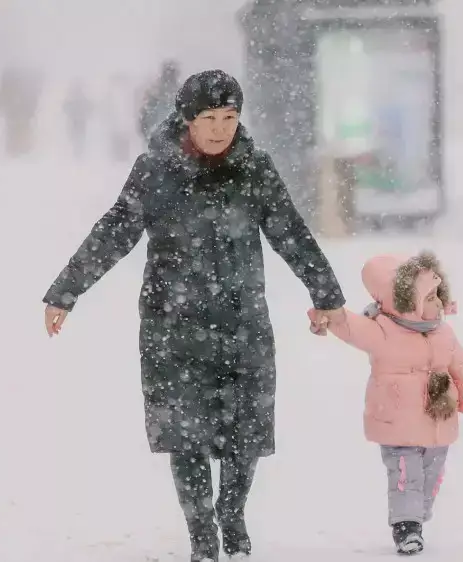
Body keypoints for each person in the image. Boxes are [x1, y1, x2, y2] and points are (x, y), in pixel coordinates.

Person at [42, 69, 346, 562]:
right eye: (209, 118)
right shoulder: (155, 170)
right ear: (186, 119)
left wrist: (325, 293)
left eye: (229, 117)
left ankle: (231, 512)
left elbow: (290, 231)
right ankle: (202, 535)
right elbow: (115, 231)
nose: (220, 128)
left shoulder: (255, 170)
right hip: (173, 328)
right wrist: (65, 291)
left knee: (245, 436)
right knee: (186, 438)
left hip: (243, 323)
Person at [309, 251, 463, 555]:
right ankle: (407, 527)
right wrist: (327, 315)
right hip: (396, 422)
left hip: (438, 423)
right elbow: (349, 325)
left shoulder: (443, 334)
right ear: (407, 302)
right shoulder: (382, 330)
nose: (439, 304)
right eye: (430, 298)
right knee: (404, 475)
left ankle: (416, 516)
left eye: (439, 296)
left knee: (429, 478)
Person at [140, 60, 180, 144]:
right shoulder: (154, 92)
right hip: (160, 136)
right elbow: (144, 117)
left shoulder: (180, 91)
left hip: (170, 137)